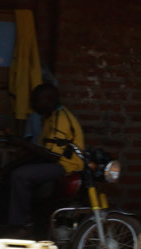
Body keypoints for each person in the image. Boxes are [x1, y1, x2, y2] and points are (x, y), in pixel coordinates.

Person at [6, 83, 83, 233]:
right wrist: (10, 166)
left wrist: (22, 143)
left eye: (36, 100)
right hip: (55, 163)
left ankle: (22, 225)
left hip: (66, 166)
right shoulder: (50, 118)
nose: (32, 104)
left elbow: (53, 156)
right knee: (13, 172)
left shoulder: (61, 119)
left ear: (49, 100)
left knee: (20, 176)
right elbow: (39, 151)